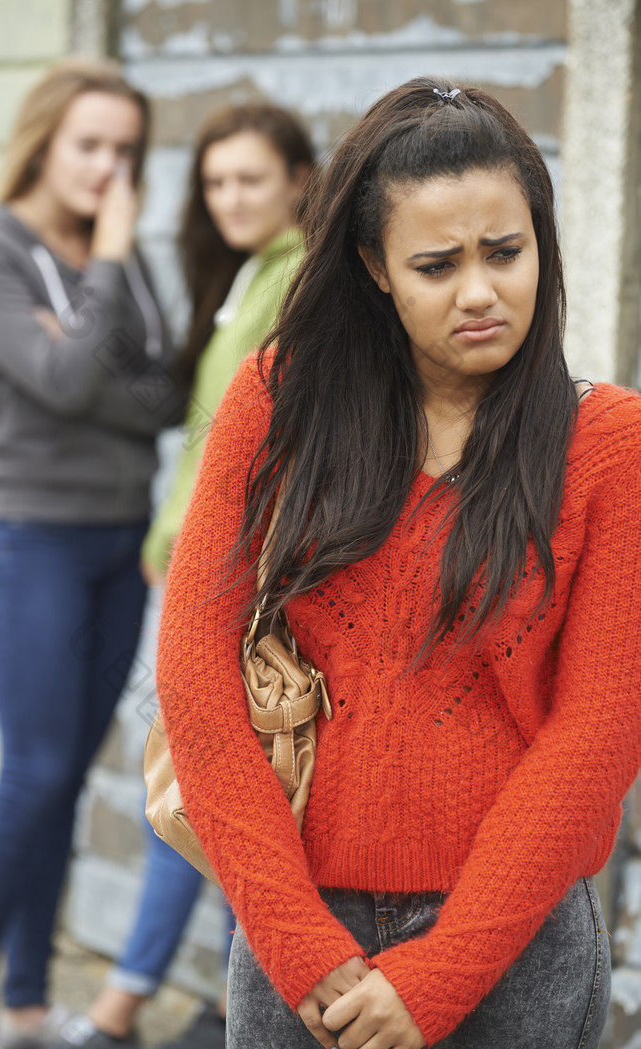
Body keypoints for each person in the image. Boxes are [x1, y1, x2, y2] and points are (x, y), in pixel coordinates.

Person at [155, 76, 641, 1049]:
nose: (479, 290)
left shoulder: (607, 444)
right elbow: (193, 676)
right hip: (299, 935)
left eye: (506, 252)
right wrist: (299, 943)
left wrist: (443, 967)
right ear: (375, 264)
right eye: (435, 263)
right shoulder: (276, 402)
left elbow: (596, 732)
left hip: (514, 948)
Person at [51, 103, 314, 1049]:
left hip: (230, 581)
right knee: (206, 788)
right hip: (193, 569)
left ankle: (126, 1003)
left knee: (200, 788)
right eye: (214, 182)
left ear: (299, 180)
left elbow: (261, 453)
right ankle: (184, 996)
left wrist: (207, 557)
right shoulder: (247, 275)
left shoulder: (295, 280)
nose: (231, 197)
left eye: (251, 178)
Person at [0, 59, 184, 1049]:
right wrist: (110, 271)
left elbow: (161, 394)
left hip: (118, 541)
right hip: (32, 536)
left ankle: (32, 999)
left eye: (127, 150)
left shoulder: (106, 256)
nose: (109, 168)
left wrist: (87, 353)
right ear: (44, 140)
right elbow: (62, 378)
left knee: (70, 775)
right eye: (91, 145)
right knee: (35, 769)